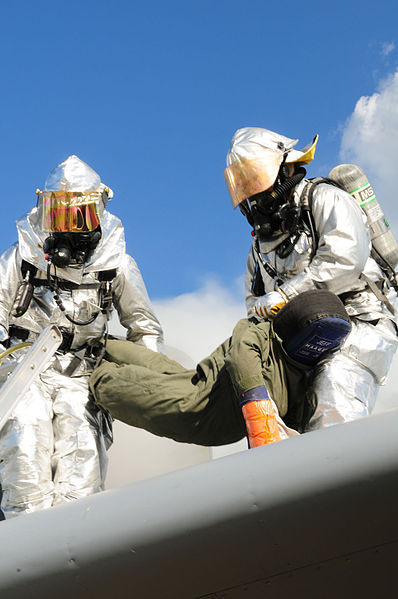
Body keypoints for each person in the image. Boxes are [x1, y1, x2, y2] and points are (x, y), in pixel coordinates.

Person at [0, 155, 163, 519]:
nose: (69, 226)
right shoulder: (21, 258)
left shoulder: (117, 266)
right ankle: (21, 548)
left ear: (98, 213)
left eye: (79, 215)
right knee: (24, 443)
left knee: (81, 459)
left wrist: (144, 382)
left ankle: (71, 550)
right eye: (59, 215)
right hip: (25, 372)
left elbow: (145, 328)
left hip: (82, 377)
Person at [224, 127, 398, 430]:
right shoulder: (259, 250)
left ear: (285, 167)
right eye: (244, 182)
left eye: (255, 176)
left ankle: (345, 473)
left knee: (333, 391)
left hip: (361, 320)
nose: (252, 191)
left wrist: (284, 297)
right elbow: (254, 305)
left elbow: (344, 259)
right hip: (303, 341)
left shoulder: (325, 198)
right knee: (290, 418)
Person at [89, 289, 351, 448]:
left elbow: (296, 424)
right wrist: (256, 399)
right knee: (141, 370)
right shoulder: (262, 335)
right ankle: (90, 349)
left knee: (140, 382)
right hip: (201, 390)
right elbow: (241, 354)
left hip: (205, 417)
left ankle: (90, 371)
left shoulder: (302, 382)